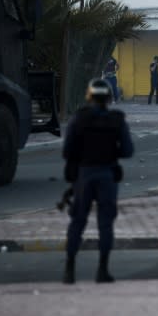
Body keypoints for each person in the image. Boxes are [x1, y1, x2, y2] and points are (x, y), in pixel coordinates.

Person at [61, 79, 134, 284]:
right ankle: (102, 270)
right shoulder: (117, 120)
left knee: (77, 221)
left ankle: (69, 269)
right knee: (105, 224)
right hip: (107, 174)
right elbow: (128, 151)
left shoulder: (79, 119)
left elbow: (68, 151)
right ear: (109, 98)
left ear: (89, 96)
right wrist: (111, 152)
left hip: (84, 175)